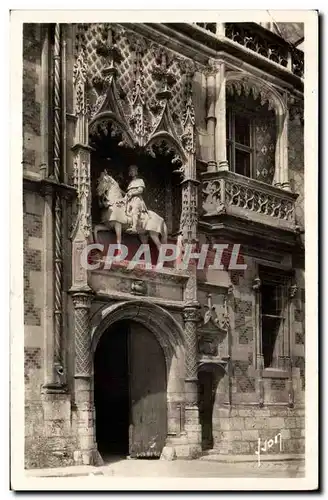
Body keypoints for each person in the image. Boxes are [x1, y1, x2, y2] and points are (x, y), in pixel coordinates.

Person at [125, 165, 148, 233]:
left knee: (134, 210)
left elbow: (140, 190)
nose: (131, 172)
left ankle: (134, 227)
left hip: (137, 199)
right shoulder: (130, 183)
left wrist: (132, 193)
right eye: (130, 171)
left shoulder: (140, 180)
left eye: (133, 170)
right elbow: (127, 193)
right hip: (129, 200)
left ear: (136, 172)